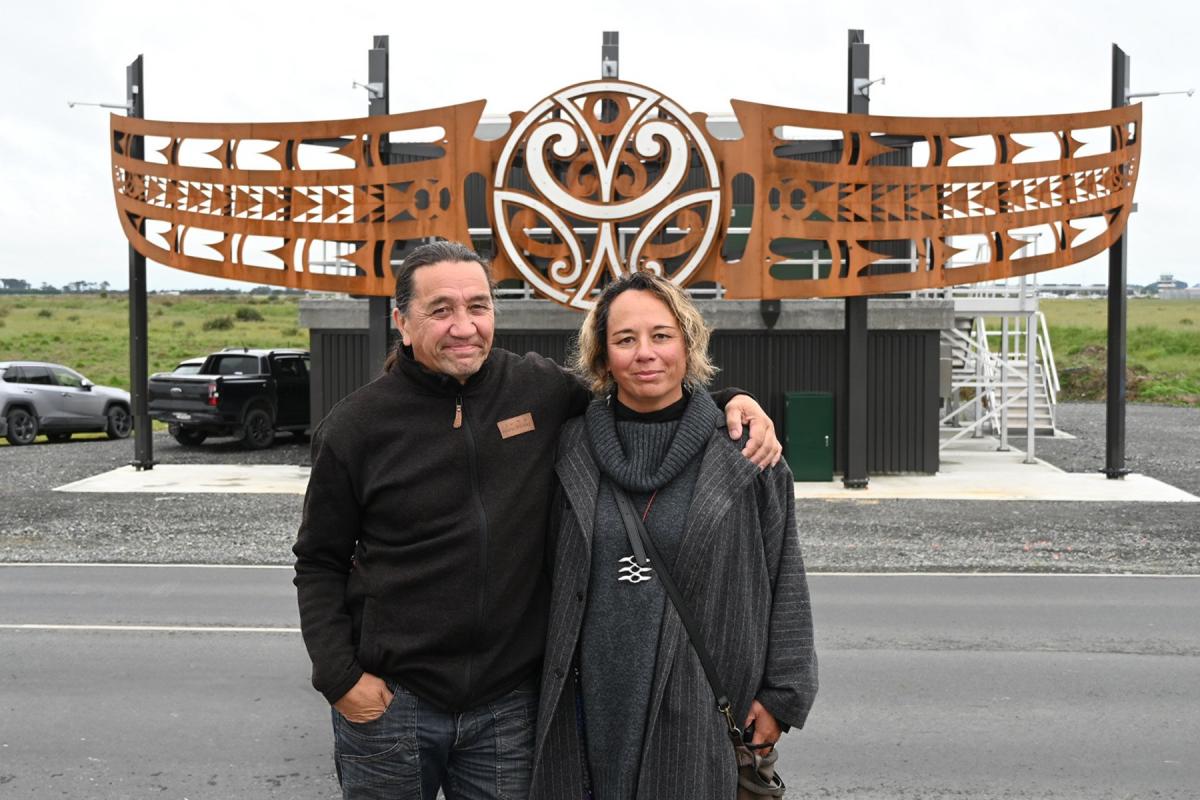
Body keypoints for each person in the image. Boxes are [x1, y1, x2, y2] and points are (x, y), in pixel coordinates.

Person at [293, 241, 782, 800]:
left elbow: (641, 391)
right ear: (402, 322)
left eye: (478, 307)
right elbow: (319, 561)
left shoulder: (538, 389)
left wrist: (729, 401)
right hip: (394, 706)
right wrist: (341, 679)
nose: (464, 326)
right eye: (441, 310)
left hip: (506, 710)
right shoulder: (356, 427)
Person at [529, 272, 818, 800]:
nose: (645, 353)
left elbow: (786, 576)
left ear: (689, 344)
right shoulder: (566, 447)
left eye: (662, 335)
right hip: (587, 703)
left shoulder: (745, 452)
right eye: (625, 339)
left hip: (701, 705)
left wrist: (784, 694)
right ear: (601, 356)